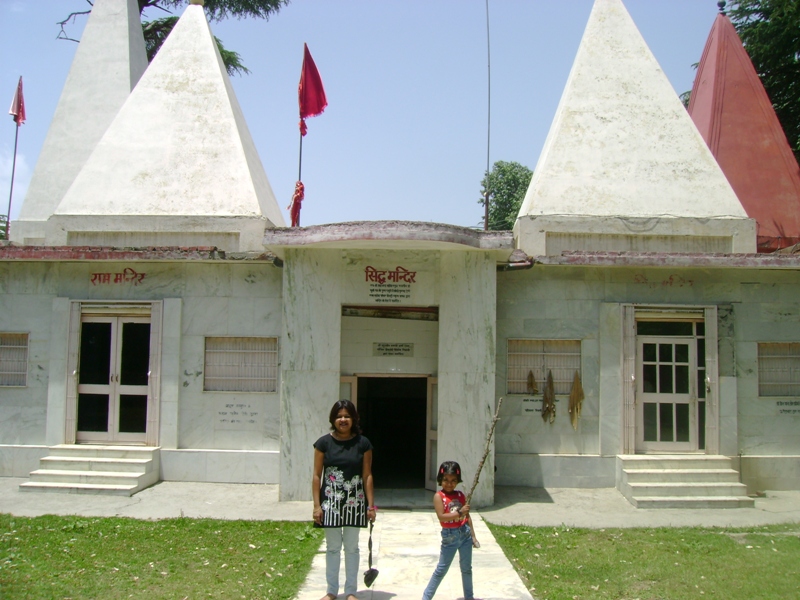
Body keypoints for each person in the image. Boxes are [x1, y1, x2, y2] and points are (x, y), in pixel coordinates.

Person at [313, 399, 376, 600]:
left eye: (347, 416)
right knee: (332, 548)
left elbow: (367, 475)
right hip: (330, 504)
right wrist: (316, 506)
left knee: (352, 548)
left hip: (354, 503)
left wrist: (371, 505)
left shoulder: (363, 444)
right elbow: (316, 475)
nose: (343, 420)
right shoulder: (323, 443)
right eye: (339, 416)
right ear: (333, 419)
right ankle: (331, 591)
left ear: (353, 419)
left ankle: (350, 592)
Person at [421, 461, 480, 600]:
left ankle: (469, 597)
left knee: (467, 569)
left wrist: (473, 536)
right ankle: (426, 597)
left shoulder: (460, 495)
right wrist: (459, 512)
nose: (449, 483)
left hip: (465, 535)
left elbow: (467, 517)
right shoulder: (439, 497)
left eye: (453, 480)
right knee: (441, 569)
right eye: (446, 480)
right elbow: (442, 517)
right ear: (440, 480)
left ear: (458, 481)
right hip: (450, 537)